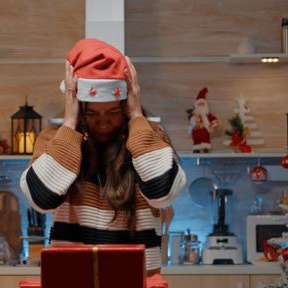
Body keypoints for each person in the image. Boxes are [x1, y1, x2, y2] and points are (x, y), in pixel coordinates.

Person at [20, 38, 186, 275]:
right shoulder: (55, 140)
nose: (104, 122)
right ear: (78, 106)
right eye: (94, 114)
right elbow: (41, 198)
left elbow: (163, 192)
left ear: (126, 104)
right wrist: (70, 123)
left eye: (113, 112)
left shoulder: (148, 138)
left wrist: (137, 116)